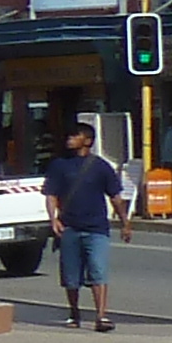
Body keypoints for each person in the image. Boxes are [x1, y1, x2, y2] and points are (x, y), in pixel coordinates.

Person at [42, 119, 130, 332]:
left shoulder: (100, 166)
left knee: (98, 271)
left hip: (96, 227)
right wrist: (53, 219)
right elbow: (51, 195)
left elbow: (115, 197)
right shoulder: (59, 165)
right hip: (69, 227)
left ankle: (101, 316)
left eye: (75, 136)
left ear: (88, 141)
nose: (69, 139)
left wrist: (125, 223)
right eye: (69, 136)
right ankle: (74, 313)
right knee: (71, 276)